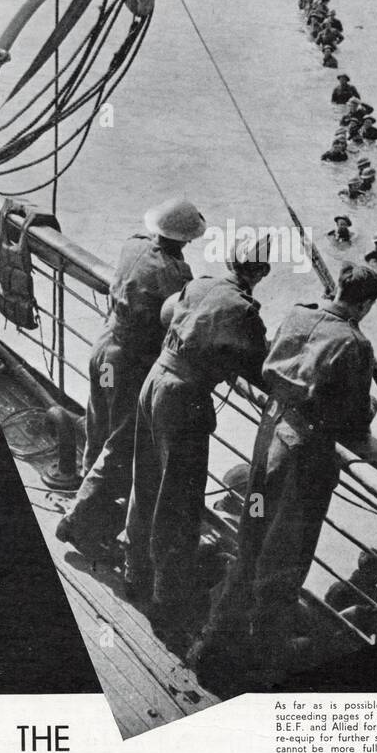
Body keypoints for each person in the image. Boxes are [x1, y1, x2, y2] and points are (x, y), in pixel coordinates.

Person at [194, 262, 377, 688]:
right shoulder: (356, 345)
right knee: (285, 561)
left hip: (271, 436)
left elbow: (268, 368)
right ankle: (261, 663)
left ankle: (212, 644)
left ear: (336, 286)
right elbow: (354, 420)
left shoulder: (298, 314)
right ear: (367, 303)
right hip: (306, 459)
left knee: (251, 541)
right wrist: (368, 407)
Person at [124, 236, 272, 649]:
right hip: (184, 401)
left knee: (147, 480)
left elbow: (169, 314)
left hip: (154, 382)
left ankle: (134, 568)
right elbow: (265, 366)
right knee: (179, 502)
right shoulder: (244, 310)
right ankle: (167, 600)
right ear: (261, 273)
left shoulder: (199, 283)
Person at [56, 199, 206, 564]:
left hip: (104, 347)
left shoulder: (132, 244)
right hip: (128, 363)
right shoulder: (175, 274)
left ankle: (83, 501)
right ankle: (79, 523)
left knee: (98, 427)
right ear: (185, 240)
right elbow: (181, 319)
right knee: (120, 445)